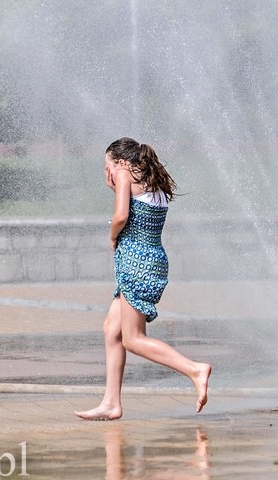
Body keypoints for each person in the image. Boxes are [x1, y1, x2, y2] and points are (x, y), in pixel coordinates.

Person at [75, 137, 211, 421]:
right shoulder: (152, 182)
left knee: (133, 339)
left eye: (107, 166)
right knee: (112, 330)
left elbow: (121, 215)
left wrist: (112, 237)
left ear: (121, 162)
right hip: (150, 261)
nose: (107, 172)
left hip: (137, 264)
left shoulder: (124, 174)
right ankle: (111, 403)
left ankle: (195, 369)